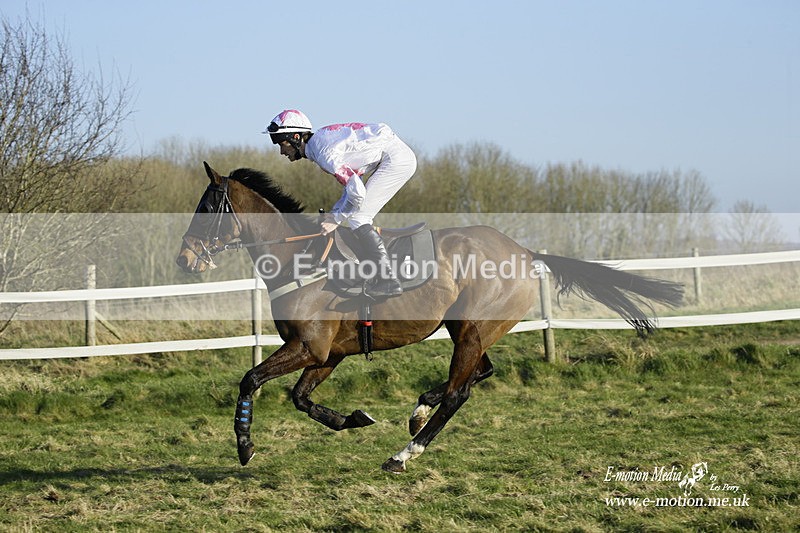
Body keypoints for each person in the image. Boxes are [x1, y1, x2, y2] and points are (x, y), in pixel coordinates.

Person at [264, 109, 417, 298]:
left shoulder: (324, 153)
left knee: (359, 218)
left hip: (396, 160)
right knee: (354, 215)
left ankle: (388, 281)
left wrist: (336, 219)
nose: (281, 151)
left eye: (282, 144)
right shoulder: (320, 144)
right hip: (393, 155)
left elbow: (357, 192)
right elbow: (352, 186)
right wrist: (334, 212)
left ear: (296, 137)